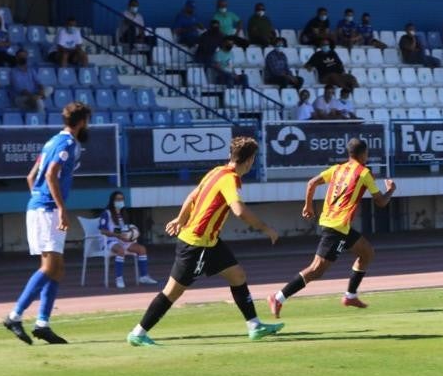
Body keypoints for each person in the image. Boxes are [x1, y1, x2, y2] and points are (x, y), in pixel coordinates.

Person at [125, 137, 283, 346]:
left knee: (237, 275)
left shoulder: (216, 171)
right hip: (196, 244)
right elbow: (239, 211)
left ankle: (255, 326)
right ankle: (138, 333)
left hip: (210, 242)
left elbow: (192, 196)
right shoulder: (231, 179)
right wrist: (266, 228)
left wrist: (181, 218)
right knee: (173, 291)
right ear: (250, 160)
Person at [269, 139, 397, 314]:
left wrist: (308, 206)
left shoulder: (337, 169)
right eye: (366, 154)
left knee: (366, 252)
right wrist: (391, 189)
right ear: (362, 154)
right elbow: (381, 202)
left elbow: (311, 183)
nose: (367, 157)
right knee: (316, 270)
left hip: (338, 225)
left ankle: (350, 296)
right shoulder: (364, 173)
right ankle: (278, 297)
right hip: (336, 227)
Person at [2, 102, 92, 345]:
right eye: (88, 121)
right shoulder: (68, 143)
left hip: (41, 208)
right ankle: (14, 316)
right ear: (82, 121)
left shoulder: (51, 141)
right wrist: (59, 208)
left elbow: (31, 176)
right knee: (49, 267)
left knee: (57, 269)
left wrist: (38, 200)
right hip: (47, 211)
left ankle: (42, 324)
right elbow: (51, 174)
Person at [98, 191, 159, 289]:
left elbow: (126, 229)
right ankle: (119, 278)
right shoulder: (106, 213)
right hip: (109, 240)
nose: (120, 201)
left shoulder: (123, 214)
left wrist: (132, 234)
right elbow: (102, 231)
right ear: (112, 201)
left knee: (142, 249)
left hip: (122, 240)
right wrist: (117, 235)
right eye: (118, 199)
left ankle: (143, 276)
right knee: (120, 250)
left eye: (122, 199)